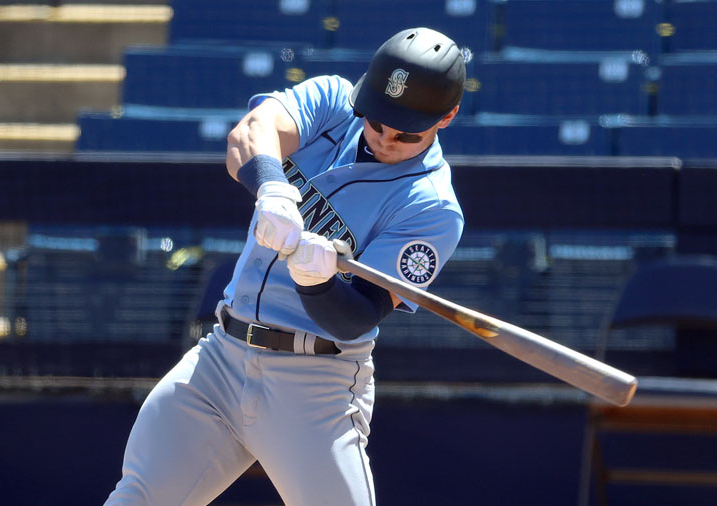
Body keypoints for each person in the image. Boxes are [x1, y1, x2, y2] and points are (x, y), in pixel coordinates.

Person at [104, 26, 466, 506]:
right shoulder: (335, 100)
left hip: (314, 384)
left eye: (404, 133)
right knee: (139, 498)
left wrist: (317, 282)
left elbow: (356, 317)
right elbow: (249, 134)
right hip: (221, 358)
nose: (384, 138)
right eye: (376, 122)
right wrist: (272, 187)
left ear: (448, 117)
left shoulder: (432, 206)